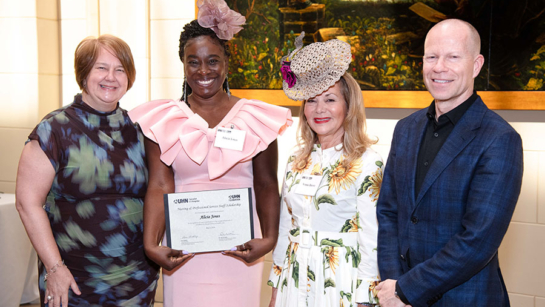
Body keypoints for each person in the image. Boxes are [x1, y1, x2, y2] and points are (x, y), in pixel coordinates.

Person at [127, 0, 292, 306]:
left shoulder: (255, 117)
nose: (204, 71)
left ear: (227, 62)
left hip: (241, 250)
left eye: (213, 60)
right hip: (185, 251)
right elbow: (160, 186)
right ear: (183, 64)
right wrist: (151, 244)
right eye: (193, 61)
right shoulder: (164, 119)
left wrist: (268, 239)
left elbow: (267, 183)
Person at [376, 19, 524, 307]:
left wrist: (407, 290)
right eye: (432, 57)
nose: (439, 67)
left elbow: (478, 239)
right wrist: (393, 286)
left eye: (453, 57)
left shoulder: (500, 139)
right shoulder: (405, 129)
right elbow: (388, 212)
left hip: (465, 298)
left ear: (476, 64)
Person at [15, 34, 159, 307]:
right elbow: (27, 204)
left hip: (136, 280)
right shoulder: (54, 129)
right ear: (83, 74)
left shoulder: (142, 129)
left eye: (120, 69)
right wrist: (55, 269)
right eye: (101, 68)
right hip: (74, 281)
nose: (111, 77)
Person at [268, 33, 383, 307]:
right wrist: (275, 288)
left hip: (340, 280)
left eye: (330, 99)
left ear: (348, 107)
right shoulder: (296, 159)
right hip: (293, 280)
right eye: (311, 100)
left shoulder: (367, 161)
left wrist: (365, 299)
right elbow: (286, 227)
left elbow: (372, 236)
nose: (319, 109)